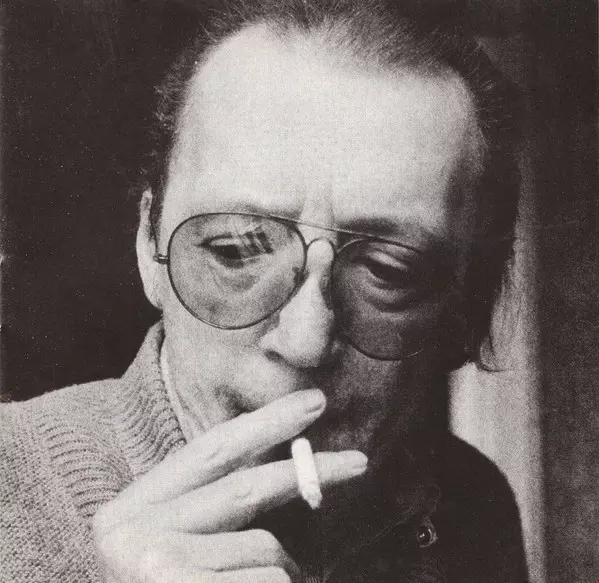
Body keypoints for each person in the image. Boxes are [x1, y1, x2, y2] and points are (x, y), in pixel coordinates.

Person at [0, 0, 529, 581]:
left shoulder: (470, 504)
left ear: (468, 312)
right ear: (148, 245)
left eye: (387, 272)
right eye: (234, 251)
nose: (305, 342)